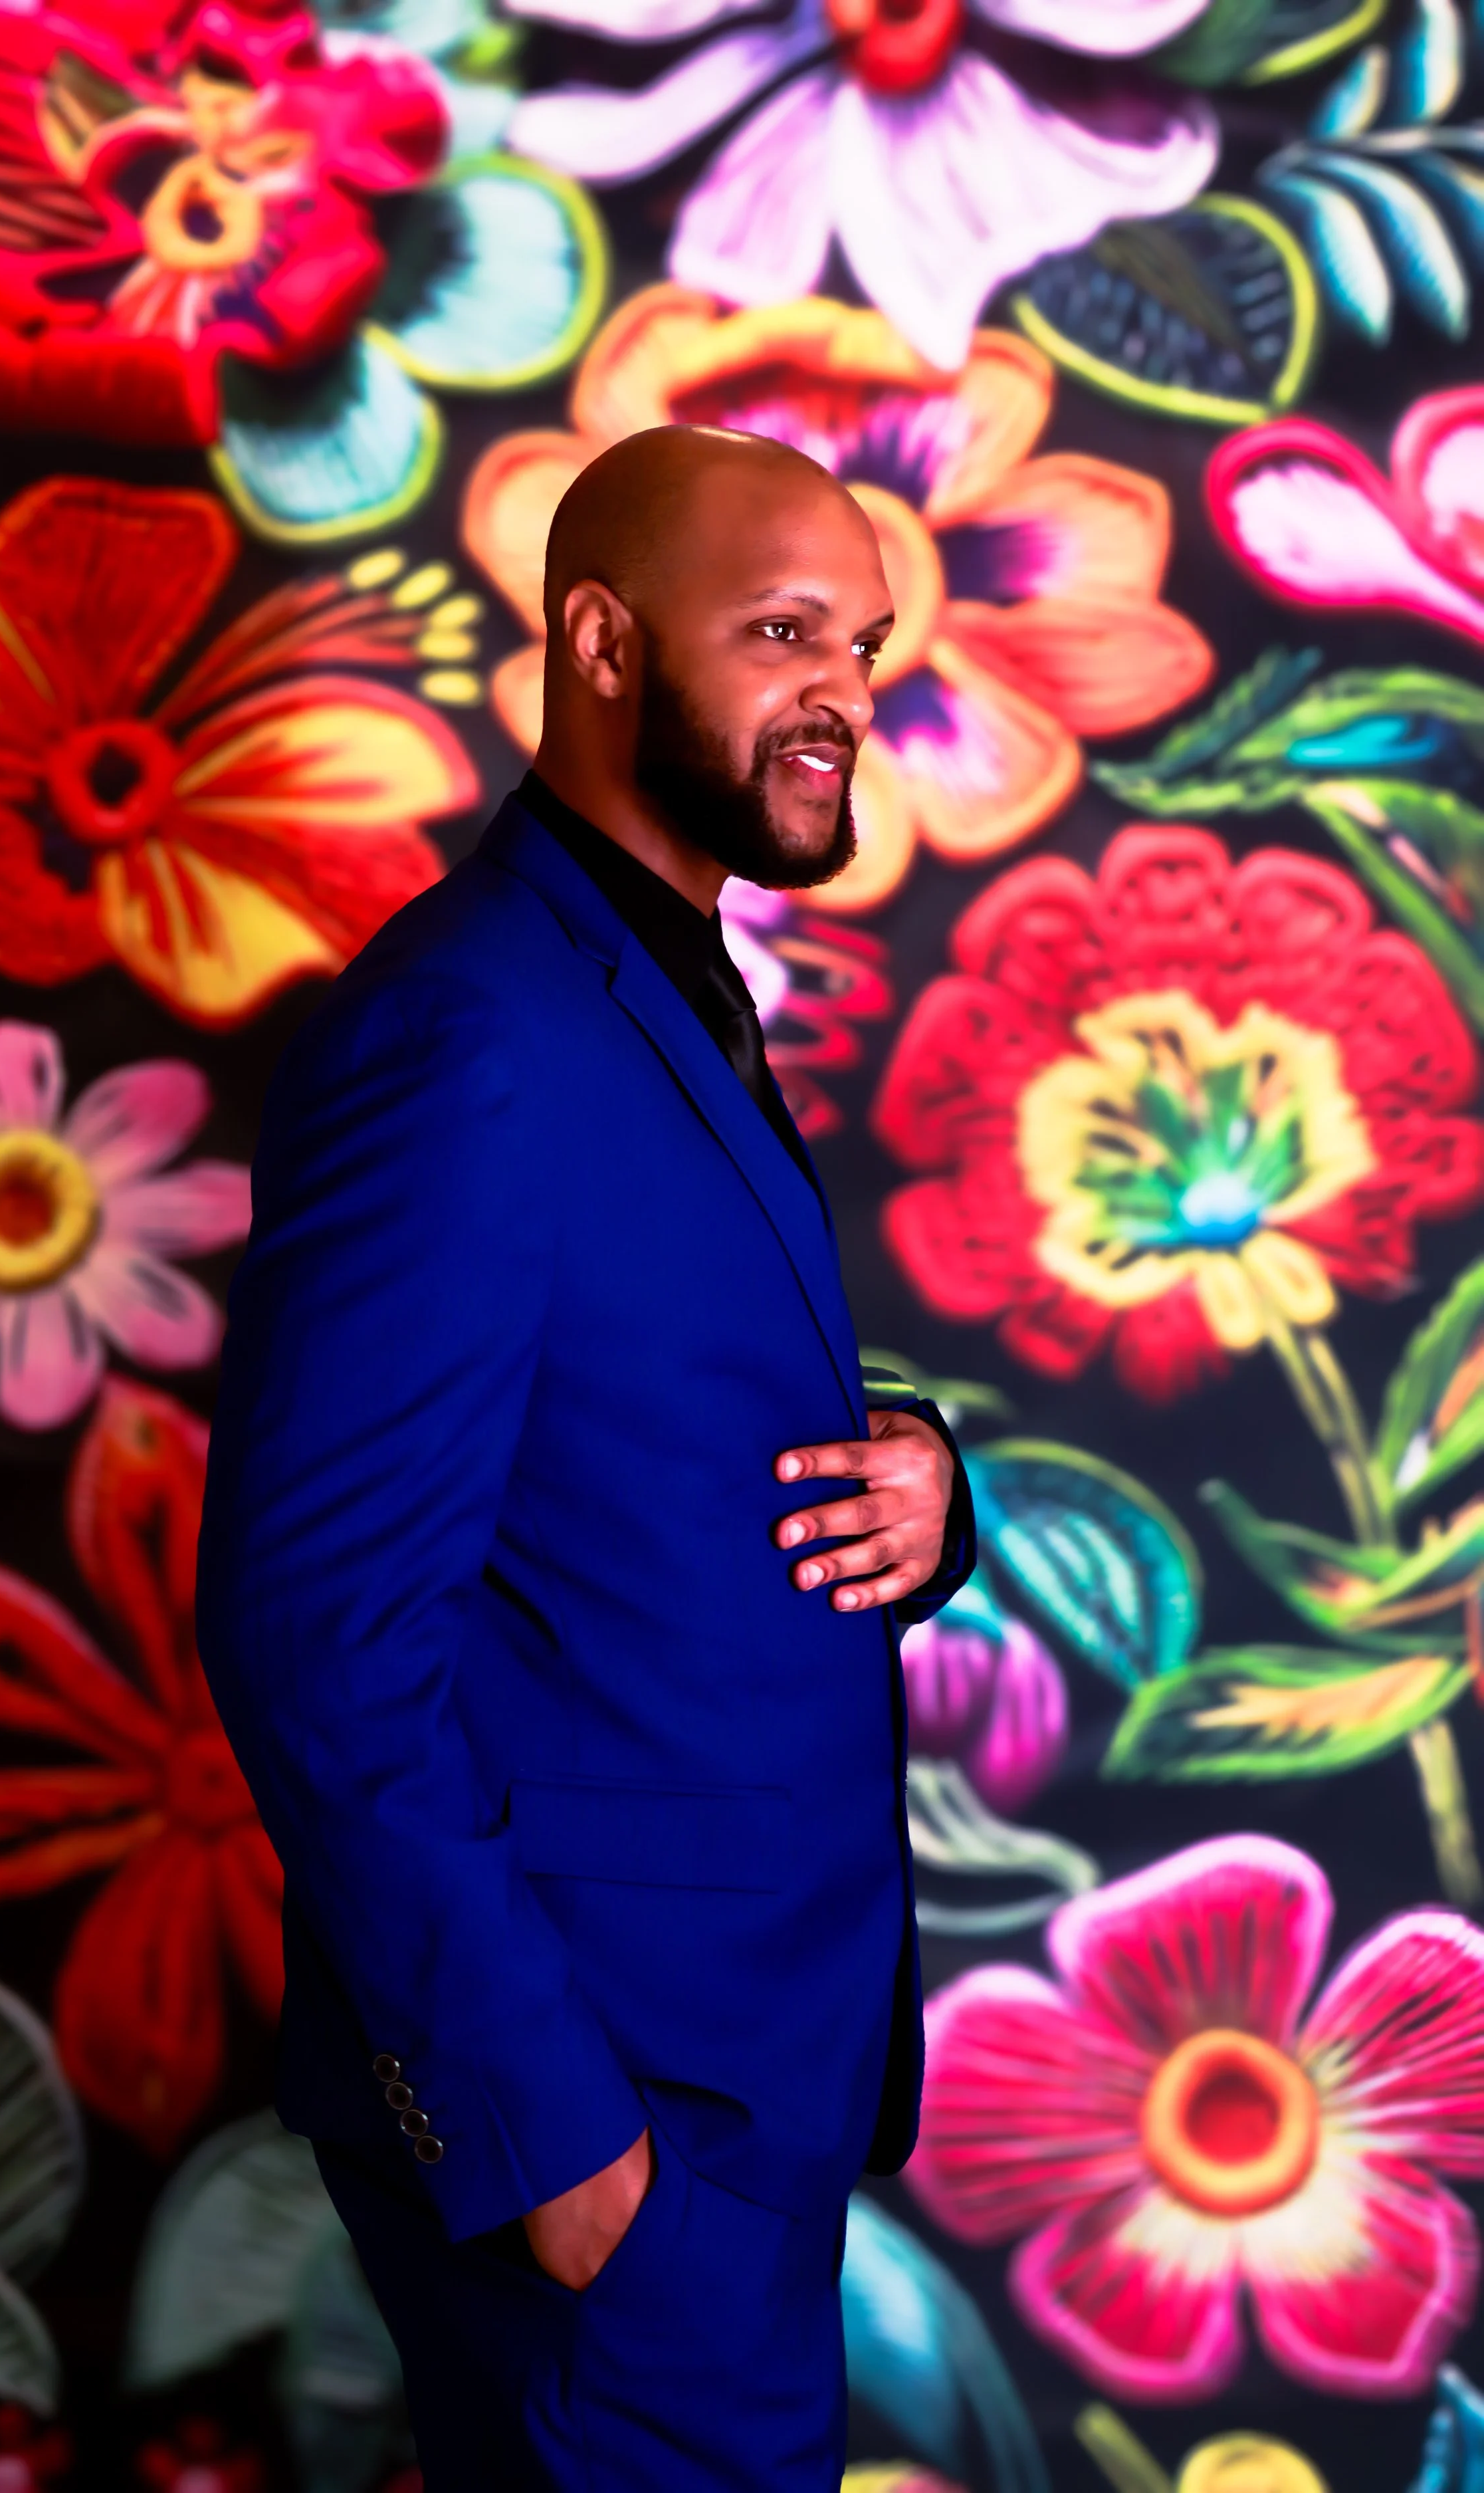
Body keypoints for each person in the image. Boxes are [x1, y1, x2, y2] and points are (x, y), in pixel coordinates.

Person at [196, 423, 977, 2492]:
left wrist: (923, 1487)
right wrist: (552, 2143)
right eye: (784, 631)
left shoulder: (647, 980)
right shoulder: (469, 1032)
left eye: (865, 643)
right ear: (606, 641)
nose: (841, 690)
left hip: (733, 2071)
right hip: (610, 2109)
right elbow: (312, 1633)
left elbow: (641, 1436)